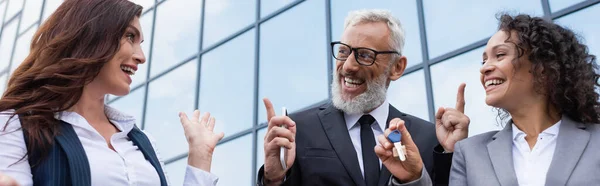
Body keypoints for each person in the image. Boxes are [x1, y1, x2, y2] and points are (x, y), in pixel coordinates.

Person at [0, 0, 224, 186]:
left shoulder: (141, 141)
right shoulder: (16, 125)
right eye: (130, 37)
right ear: (91, 35)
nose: (141, 56)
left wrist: (200, 157)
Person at [257, 9, 469, 186]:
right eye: (343, 52)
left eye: (365, 55)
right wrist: (273, 178)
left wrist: (451, 153)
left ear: (397, 67)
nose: (348, 66)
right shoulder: (297, 131)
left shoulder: (428, 138)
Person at [449, 13, 600, 185]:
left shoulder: (596, 140)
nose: (485, 69)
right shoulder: (469, 153)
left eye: (499, 55)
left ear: (542, 66)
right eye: (483, 61)